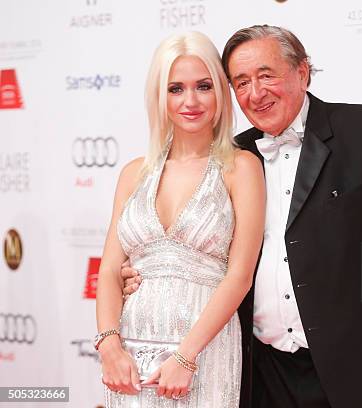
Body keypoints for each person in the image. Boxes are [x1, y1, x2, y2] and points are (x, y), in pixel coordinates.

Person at [123, 25, 362, 408]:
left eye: (266, 75)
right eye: (240, 82)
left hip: (352, 372)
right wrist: (147, 274)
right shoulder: (232, 158)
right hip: (259, 374)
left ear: (303, 72)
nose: (255, 93)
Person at [95, 31, 264, 408]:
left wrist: (187, 356)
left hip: (203, 352)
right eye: (176, 89)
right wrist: (109, 345)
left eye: (203, 86)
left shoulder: (241, 167)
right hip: (130, 354)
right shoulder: (133, 173)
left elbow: (239, 275)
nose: (190, 101)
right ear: (160, 95)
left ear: (220, 92)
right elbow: (108, 270)